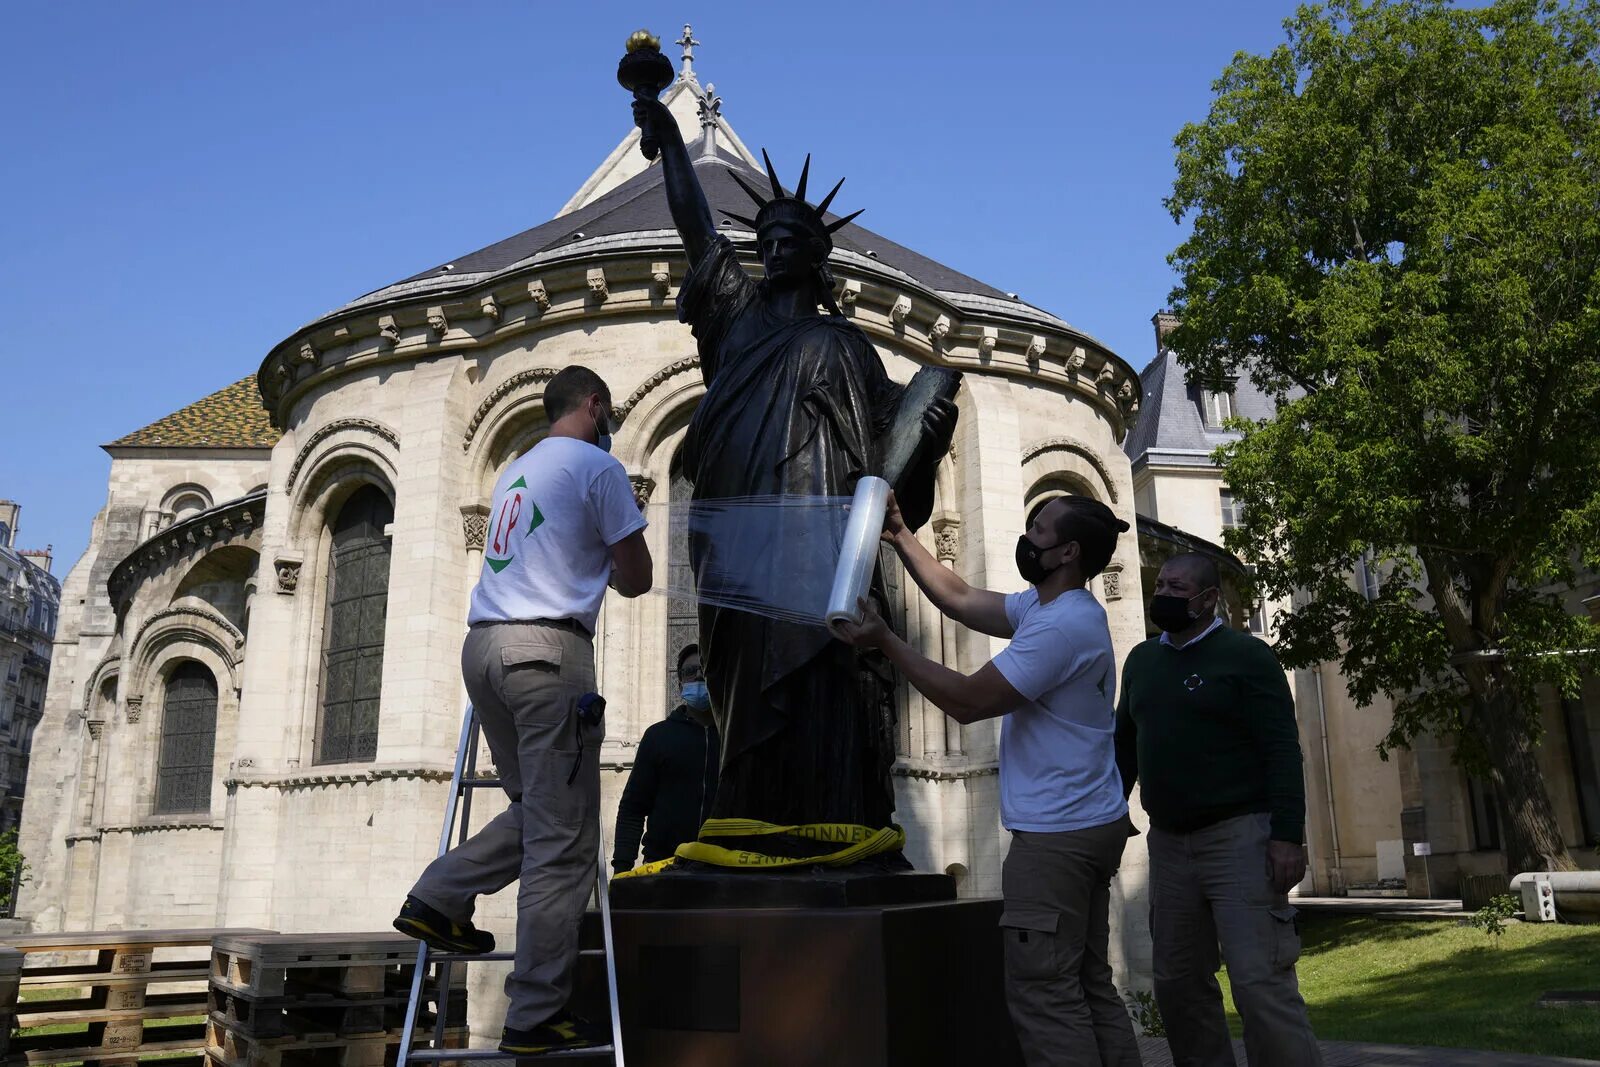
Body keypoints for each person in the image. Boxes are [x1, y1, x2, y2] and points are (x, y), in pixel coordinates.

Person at [630, 95, 953, 834]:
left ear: (817, 256)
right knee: (746, 702)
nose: (774, 251)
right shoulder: (736, 324)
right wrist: (671, 139)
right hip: (741, 561)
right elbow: (695, 227)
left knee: (829, 696)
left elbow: (892, 475)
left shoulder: (850, 347)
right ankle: (752, 824)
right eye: (767, 240)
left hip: (825, 559)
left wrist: (929, 431)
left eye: (789, 242)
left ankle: (837, 823)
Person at [392, 365, 653, 1056]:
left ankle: (437, 896)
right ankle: (536, 1013)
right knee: (563, 844)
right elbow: (639, 577)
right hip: (547, 653)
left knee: (541, 811)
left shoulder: (516, 469)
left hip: (483, 651)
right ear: (594, 405)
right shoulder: (599, 469)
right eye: (609, 411)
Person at [835, 491, 1141, 1067]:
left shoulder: (1061, 628)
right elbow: (960, 599)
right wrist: (901, 535)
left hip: (1056, 837)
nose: (1028, 537)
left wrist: (886, 641)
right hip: (1088, 824)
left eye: (1040, 530)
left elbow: (969, 701)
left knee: (1045, 991)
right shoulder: (1054, 608)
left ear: (1068, 552)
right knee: (1087, 982)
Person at [1114, 553, 1323, 1067]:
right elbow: (1122, 750)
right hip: (1167, 845)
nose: (1162, 593)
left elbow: (1281, 749)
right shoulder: (1141, 661)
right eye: (1160, 583)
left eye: (1177, 588)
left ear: (1209, 600)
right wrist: (1107, 819)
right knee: (1178, 986)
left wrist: (1287, 836)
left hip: (1242, 839)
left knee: (1259, 983)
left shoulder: (1247, 656)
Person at [611, 643, 720, 872]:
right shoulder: (658, 736)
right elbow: (633, 807)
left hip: (724, 867)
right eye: (690, 672)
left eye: (705, 668)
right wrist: (622, 869)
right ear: (680, 683)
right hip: (664, 867)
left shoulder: (735, 737)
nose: (699, 675)